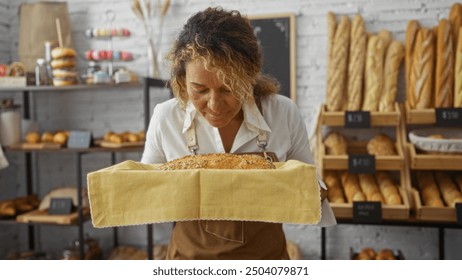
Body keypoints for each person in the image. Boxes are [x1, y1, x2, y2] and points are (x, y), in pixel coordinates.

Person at [141, 6, 336, 260]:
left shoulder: (282, 113)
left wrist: (304, 189)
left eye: (228, 89)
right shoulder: (166, 118)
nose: (214, 105)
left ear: (250, 76)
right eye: (199, 90)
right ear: (181, 80)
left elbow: (313, 197)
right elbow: (146, 198)